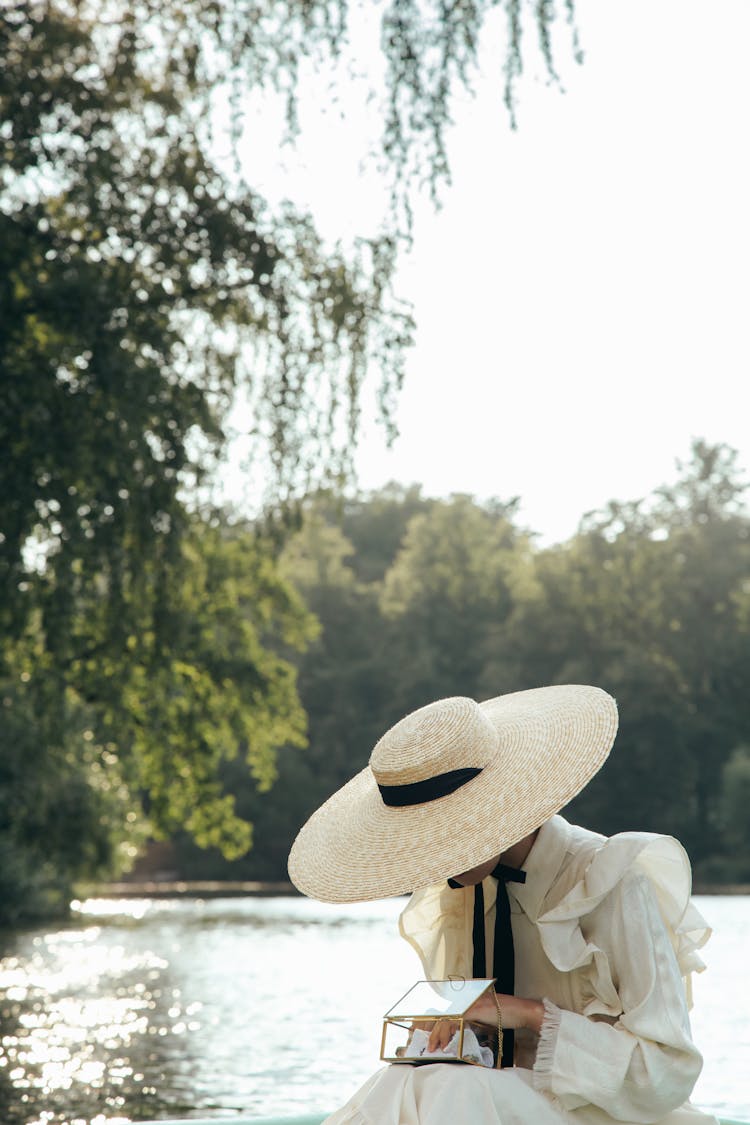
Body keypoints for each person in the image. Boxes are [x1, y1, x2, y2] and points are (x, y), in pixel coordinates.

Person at [287, 685, 718, 1125]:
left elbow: (668, 1073)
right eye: (421, 844)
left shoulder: (614, 882)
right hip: (498, 1105)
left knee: (453, 1086)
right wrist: (453, 1036)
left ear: (493, 813)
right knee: (403, 1079)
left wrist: (531, 1016)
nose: (436, 862)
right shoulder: (457, 896)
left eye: (446, 836)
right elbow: (488, 1062)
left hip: (612, 1116)